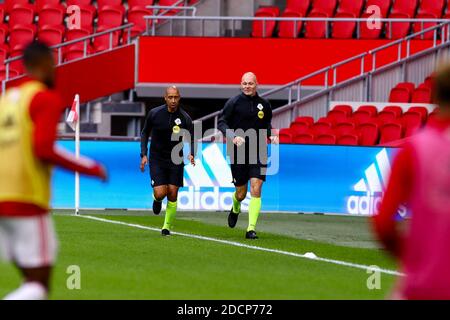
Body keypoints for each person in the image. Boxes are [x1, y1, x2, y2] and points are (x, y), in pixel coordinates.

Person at [0, 41, 107, 300]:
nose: (55, 67)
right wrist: (90, 167)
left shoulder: (7, 101)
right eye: (53, 61)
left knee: (28, 278)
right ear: (44, 64)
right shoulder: (45, 99)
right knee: (39, 285)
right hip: (27, 199)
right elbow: (44, 149)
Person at [372, 64, 450, 300]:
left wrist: (414, 256)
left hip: (423, 286)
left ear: (434, 95)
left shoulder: (415, 148)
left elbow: (384, 223)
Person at [218, 72, 278, 239]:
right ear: (240, 84)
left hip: (259, 150)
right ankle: (236, 206)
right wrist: (232, 136)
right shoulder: (233, 103)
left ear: (256, 84)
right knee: (241, 193)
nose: (247, 86)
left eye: (250, 83)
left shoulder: (264, 104)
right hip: (238, 150)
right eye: (244, 83)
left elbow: (266, 123)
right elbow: (222, 122)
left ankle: (250, 229)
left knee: (256, 187)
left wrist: (270, 134)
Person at [140, 86, 196, 236]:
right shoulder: (155, 113)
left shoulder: (184, 118)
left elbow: (191, 137)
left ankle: (166, 227)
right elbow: (145, 133)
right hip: (157, 158)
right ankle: (156, 200)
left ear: (179, 98)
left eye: (175, 97)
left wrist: (192, 153)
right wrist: (143, 154)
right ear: (165, 98)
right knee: (160, 193)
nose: (173, 100)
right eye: (170, 97)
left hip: (175, 159)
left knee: (172, 193)